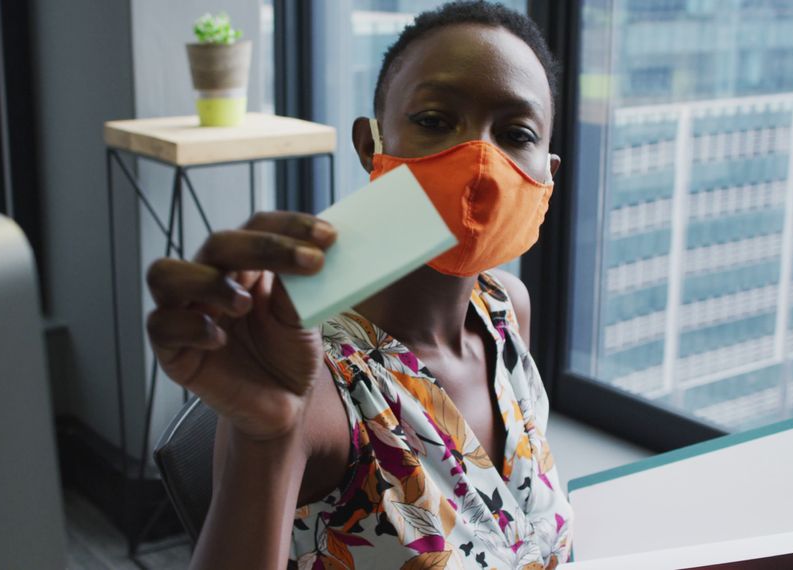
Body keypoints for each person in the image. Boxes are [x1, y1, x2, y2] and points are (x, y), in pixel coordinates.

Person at [145, 2, 572, 567]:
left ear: (548, 173)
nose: (479, 162)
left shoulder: (505, 308)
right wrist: (263, 439)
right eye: (435, 120)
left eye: (516, 133)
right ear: (371, 145)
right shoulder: (315, 382)